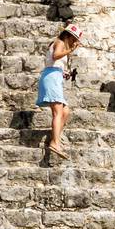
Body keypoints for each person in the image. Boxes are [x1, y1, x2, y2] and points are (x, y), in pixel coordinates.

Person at [36, 23, 84, 159]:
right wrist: (71, 51)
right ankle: (55, 142)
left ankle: (55, 139)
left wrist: (64, 73)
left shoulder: (61, 43)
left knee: (65, 111)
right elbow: (56, 55)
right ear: (69, 36)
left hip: (55, 77)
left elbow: (54, 63)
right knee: (58, 112)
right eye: (74, 39)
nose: (74, 42)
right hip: (51, 78)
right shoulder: (60, 42)